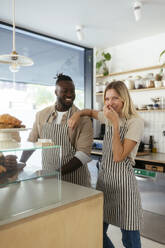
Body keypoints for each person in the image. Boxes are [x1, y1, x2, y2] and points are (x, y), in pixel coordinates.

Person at [68, 81, 144, 248]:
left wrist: (115, 124)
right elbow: (89, 111)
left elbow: (118, 156)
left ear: (124, 99)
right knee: (97, 232)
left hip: (124, 187)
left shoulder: (135, 122)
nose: (110, 103)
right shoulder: (107, 115)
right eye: (107, 98)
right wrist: (77, 114)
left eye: (115, 98)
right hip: (105, 184)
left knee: (130, 239)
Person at [20, 73, 93, 187]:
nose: (69, 94)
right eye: (65, 91)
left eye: (72, 91)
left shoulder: (83, 119)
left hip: (75, 182)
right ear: (56, 92)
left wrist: (56, 174)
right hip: (49, 180)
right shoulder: (42, 115)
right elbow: (33, 142)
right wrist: (22, 162)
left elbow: (83, 154)